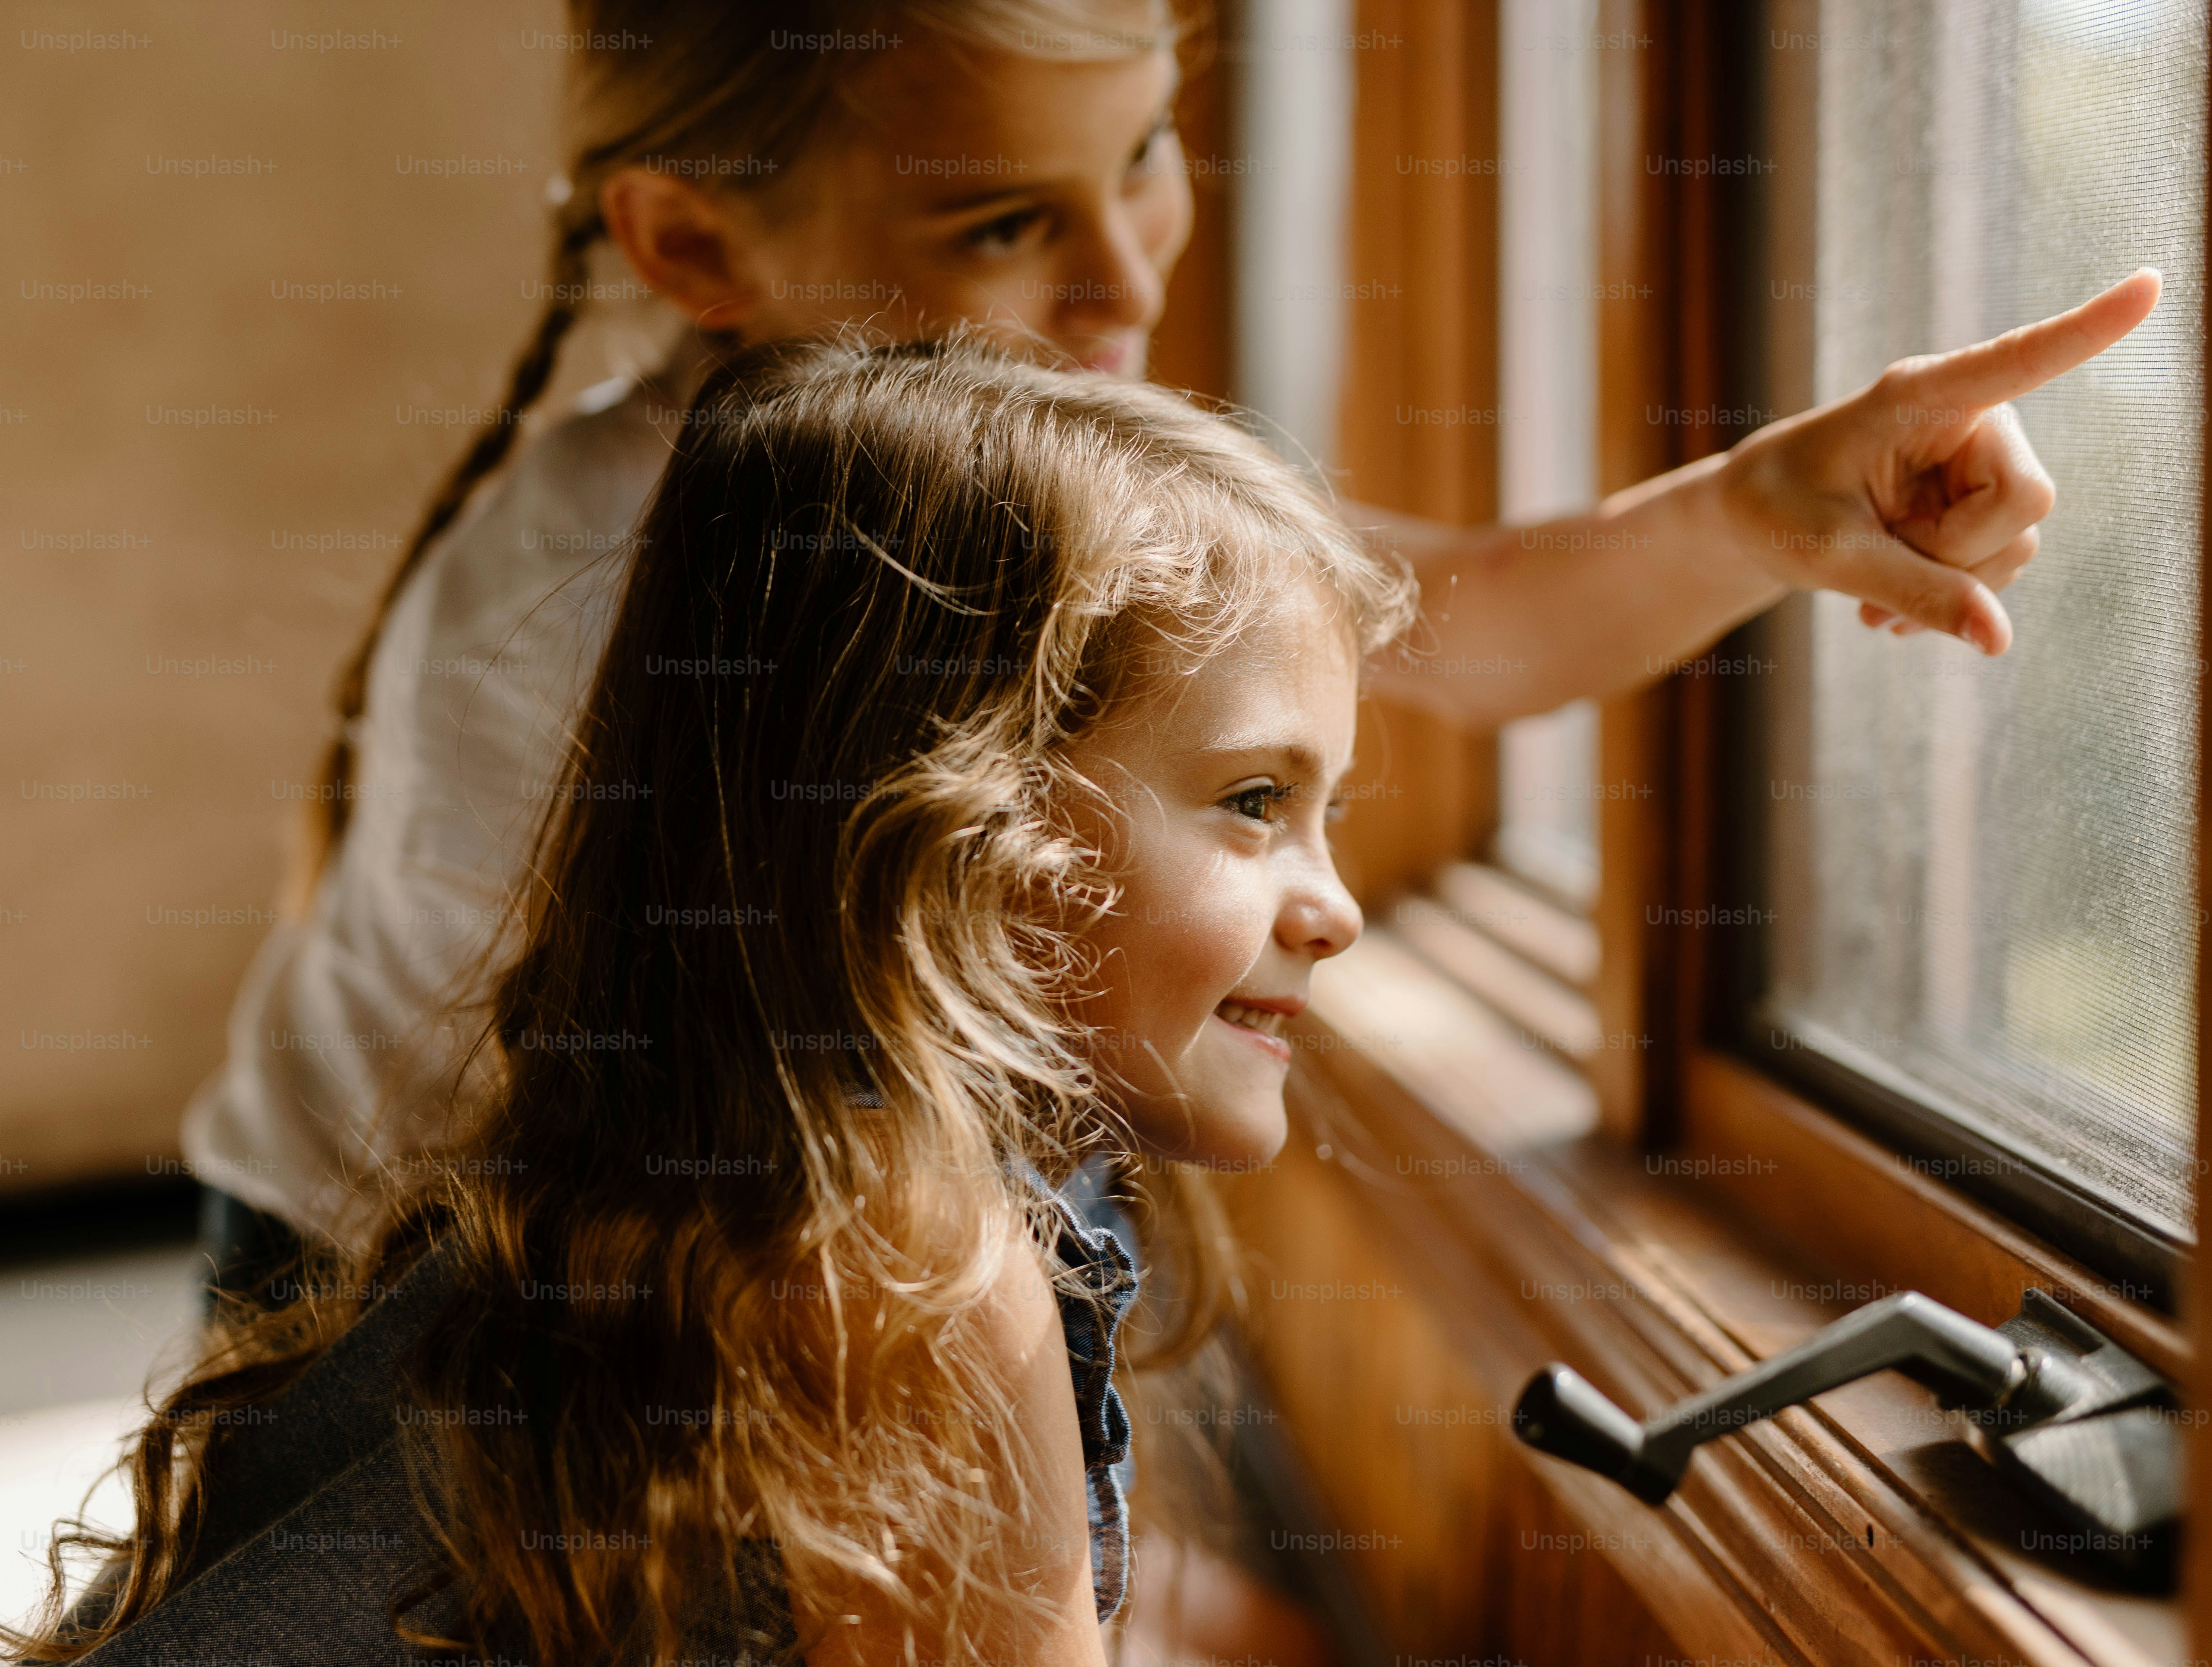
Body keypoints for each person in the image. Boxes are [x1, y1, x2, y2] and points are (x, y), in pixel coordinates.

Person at [177, 0, 2158, 1290]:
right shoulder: (647, 574)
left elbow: (1443, 629)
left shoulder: (994, 465)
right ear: (696, 247)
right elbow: (743, 1205)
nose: (1128, 273)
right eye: (1000, 227)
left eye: (1144, 152)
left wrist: (1763, 505)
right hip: (413, 1292)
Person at [0, 332, 1411, 1665]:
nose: (1333, 907)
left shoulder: (700, 1176)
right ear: (951, 826)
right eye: (1254, 801)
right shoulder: (906, 1270)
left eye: (1328, 809)